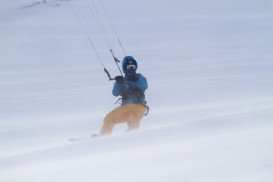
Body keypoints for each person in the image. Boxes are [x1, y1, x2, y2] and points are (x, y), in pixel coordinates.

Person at [99, 56, 148, 135]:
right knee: (109, 118)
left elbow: (144, 86)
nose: (131, 68)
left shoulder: (139, 77)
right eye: (129, 67)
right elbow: (115, 93)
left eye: (133, 66)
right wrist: (119, 83)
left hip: (139, 106)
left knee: (133, 117)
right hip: (125, 107)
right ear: (125, 68)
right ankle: (103, 136)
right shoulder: (122, 80)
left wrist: (136, 79)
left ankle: (132, 134)